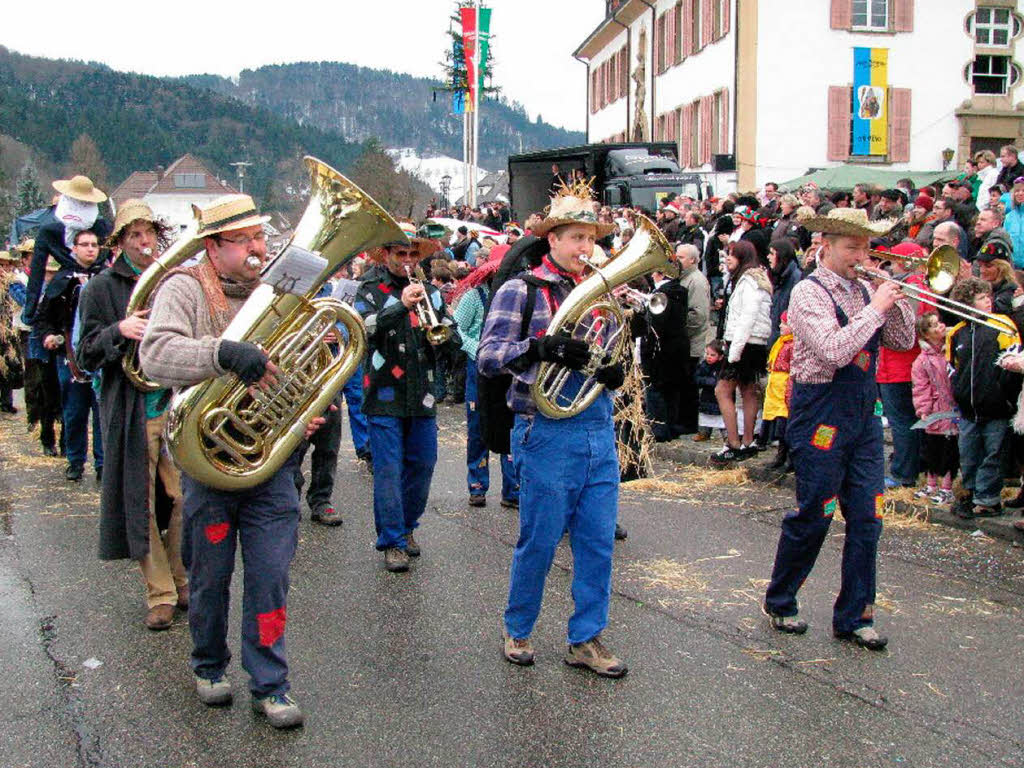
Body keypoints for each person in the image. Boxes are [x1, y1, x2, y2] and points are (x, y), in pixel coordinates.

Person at [140, 194, 325, 728]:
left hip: (271, 466)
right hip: (207, 465)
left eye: (259, 237)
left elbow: (306, 361)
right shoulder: (183, 287)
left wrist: (308, 409)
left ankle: (271, 684)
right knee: (208, 578)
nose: (257, 248)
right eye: (243, 240)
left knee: (270, 578)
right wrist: (221, 352)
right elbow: (154, 354)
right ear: (213, 246)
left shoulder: (285, 289)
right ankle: (208, 664)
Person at [478, 186, 629, 678]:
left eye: (590, 238)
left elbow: (609, 351)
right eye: (576, 238)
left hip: (596, 425)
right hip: (544, 429)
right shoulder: (520, 289)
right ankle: (518, 627)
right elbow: (489, 356)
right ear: (553, 241)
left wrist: (612, 372)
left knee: (597, 540)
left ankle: (585, 638)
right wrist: (541, 348)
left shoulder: (600, 291)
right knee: (539, 540)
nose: (585, 248)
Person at [763, 208, 916, 651]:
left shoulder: (868, 288)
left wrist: (899, 300)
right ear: (825, 247)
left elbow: (902, 342)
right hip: (821, 413)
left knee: (868, 517)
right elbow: (833, 350)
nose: (861, 257)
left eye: (866, 248)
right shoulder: (808, 293)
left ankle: (855, 615)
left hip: (864, 415)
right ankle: (781, 599)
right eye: (852, 248)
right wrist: (876, 308)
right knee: (817, 512)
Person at [76, 200, 187, 630]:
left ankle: (181, 579)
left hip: (172, 402)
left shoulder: (170, 281)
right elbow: (85, 353)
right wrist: (118, 331)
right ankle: (160, 592)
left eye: (149, 235)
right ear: (120, 241)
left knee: (182, 499)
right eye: (135, 236)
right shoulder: (101, 288)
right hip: (133, 408)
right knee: (139, 503)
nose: (145, 243)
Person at [352, 226, 460, 573]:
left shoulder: (432, 291)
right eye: (402, 254)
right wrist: (399, 306)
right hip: (383, 392)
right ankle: (393, 541)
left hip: (423, 392)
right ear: (386, 255)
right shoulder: (369, 289)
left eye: (414, 255)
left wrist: (444, 339)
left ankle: (408, 526)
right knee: (387, 469)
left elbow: (451, 332)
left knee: (423, 465)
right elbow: (364, 329)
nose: (409, 261)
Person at [947, 278, 1020, 520]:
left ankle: (988, 499)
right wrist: (958, 392)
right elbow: (953, 367)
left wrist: (1004, 396)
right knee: (968, 454)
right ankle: (968, 494)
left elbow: (1013, 362)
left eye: (988, 296)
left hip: (996, 406)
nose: (988, 301)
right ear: (966, 303)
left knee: (993, 454)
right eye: (981, 298)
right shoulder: (957, 333)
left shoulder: (1003, 325)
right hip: (968, 408)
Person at [451, 252, 519, 509]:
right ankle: (477, 485)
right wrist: (477, 348)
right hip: (478, 368)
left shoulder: (517, 296)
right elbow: (455, 327)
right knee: (478, 427)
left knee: (509, 426)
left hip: (508, 368)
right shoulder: (474, 296)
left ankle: (512, 489)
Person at [37, 229, 105, 482]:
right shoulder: (62, 279)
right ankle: (75, 461)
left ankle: (102, 463)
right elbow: (44, 316)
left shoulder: (106, 278)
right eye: (85, 244)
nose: (90, 249)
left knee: (101, 412)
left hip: (99, 354)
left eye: (94, 244)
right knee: (75, 412)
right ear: (74, 248)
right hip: (69, 354)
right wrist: (48, 335)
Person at [22, 175, 112, 327]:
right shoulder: (101, 227)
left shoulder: (100, 227)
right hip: (68, 290)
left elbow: (37, 272)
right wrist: (30, 310)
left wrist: (30, 311)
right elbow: (37, 271)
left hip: (92, 287)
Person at [711, 241, 772, 464]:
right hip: (750, 343)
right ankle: (747, 441)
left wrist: (734, 351)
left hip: (745, 343)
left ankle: (734, 443)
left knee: (723, 390)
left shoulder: (750, 282)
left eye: (732, 255)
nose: (727, 259)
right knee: (748, 390)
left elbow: (747, 318)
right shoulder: (750, 279)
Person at [910, 312, 959, 505]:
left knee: (950, 449)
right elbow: (921, 387)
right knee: (932, 448)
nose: (940, 326)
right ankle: (931, 484)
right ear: (926, 335)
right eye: (933, 325)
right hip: (934, 411)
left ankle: (947, 487)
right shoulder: (922, 361)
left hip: (953, 409)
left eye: (939, 322)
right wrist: (923, 409)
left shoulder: (951, 351)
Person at [676, 243, 711, 433]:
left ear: (692, 260)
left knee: (688, 385)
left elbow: (698, 315)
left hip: (691, 342)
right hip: (686, 341)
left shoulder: (696, 281)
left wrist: (679, 331)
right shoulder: (686, 278)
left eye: (681, 257)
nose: (676, 260)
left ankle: (688, 423)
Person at [763, 314, 794, 470]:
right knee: (780, 425)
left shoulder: (793, 345)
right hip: (776, 388)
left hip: (785, 388)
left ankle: (789, 458)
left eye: (784, 323)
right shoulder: (781, 343)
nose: (780, 326)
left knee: (786, 425)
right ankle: (781, 456)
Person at [693, 340, 726, 441]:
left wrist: (713, 382)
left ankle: (726, 435)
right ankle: (704, 433)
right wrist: (706, 381)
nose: (708, 357)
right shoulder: (703, 365)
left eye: (712, 355)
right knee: (705, 417)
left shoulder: (722, 367)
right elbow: (696, 377)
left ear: (720, 356)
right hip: (706, 396)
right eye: (707, 354)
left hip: (719, 398)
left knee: (722, 418)